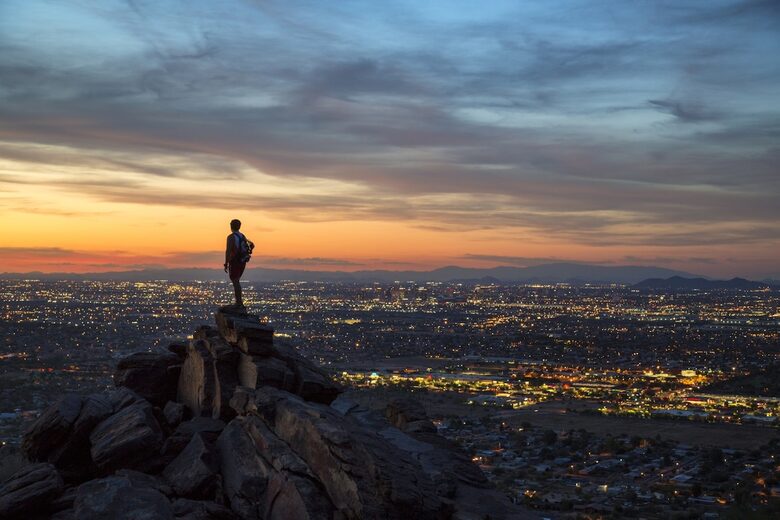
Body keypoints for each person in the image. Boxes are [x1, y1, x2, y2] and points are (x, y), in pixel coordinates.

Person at [224, 219, 254, 307]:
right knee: (236, 281)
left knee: (235, 281)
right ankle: (239, 302)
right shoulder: (242, 236)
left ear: (231, 226)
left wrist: (226, 263)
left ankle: (239, 302)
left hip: (235, 261)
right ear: (239, 226)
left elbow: (228, 251)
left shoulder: (231, 237)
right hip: (242, 261)